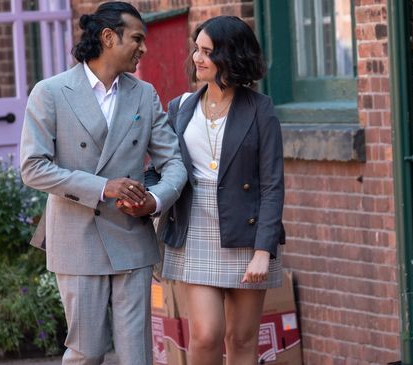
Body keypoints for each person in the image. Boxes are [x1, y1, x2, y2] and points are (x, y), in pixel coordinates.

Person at [20, 2, 186, 364]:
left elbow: (173, 163)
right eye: (137, 39)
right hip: (77, 237)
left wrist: (154, 201)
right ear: (109, 38)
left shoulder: (144, 94)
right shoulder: (50, 92)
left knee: (136, 356)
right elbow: (32, 168)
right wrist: (102, 187)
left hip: (131, 235)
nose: (143, 49)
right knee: (86, 352)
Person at [160, 15, 285, 365]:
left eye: (207, 52)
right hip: (194, 230)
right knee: (205, 335)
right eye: (196, 49)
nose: (197, 58)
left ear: (230, 57)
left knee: (242, 340)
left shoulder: (261, 110)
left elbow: (273, 184)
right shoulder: (180, 108)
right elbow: (164, 169)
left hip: (246, 232)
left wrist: (264, 249)